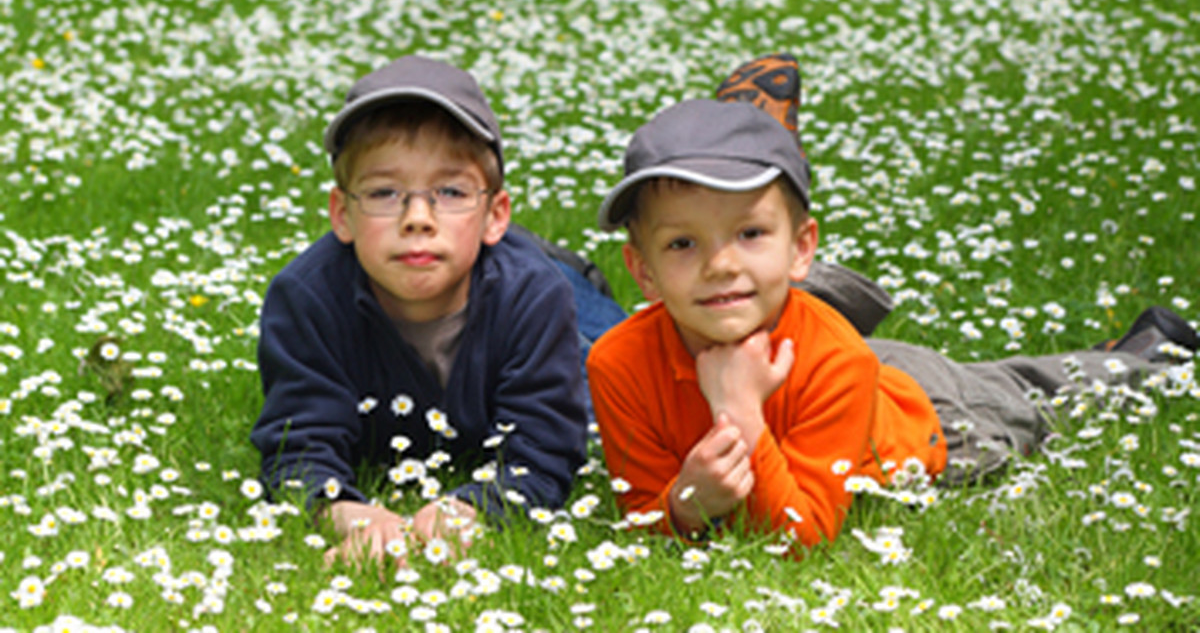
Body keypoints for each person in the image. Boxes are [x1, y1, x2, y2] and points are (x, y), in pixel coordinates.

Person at [586, 98, 1198, 551]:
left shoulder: (838, 362)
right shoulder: (615, 363)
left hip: (938, 420)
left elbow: (799, 539)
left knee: (1030, 395)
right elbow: (642, 516)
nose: (720, 264)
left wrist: (741, 411)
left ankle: (1147, 353)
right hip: (849, 375)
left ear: (803, 249)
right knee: (996, 374)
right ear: (641, 270)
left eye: (749, 233)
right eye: (683, 243)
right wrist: (688, 505)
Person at [250, 54, 624, 566]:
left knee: (612, 359)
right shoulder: (305, 299)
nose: (418, 218)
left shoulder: (535, 297)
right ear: (342, 214)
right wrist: (345, 512)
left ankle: (564, 266)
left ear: (495, 214)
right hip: (477, 262)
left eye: (450, 192)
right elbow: (296, 449)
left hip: (533, 285)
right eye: (384, 193)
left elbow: (547, 450)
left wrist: (473, 508)